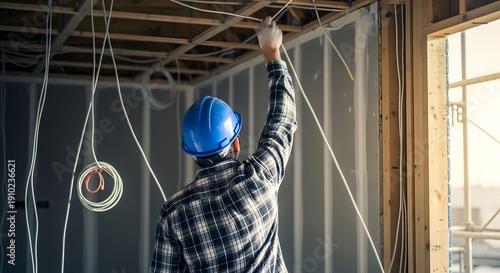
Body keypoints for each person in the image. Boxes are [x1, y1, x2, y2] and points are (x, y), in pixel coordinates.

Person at [150, 16, 297, 273]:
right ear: (235, 143)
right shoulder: (259, 178)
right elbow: (282, 120)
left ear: (192, 152)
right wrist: (271, 51)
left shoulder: (174, 212)